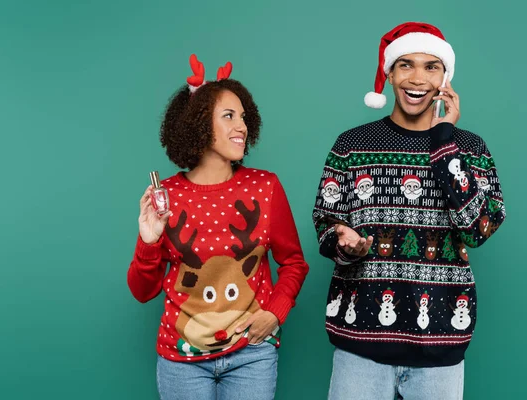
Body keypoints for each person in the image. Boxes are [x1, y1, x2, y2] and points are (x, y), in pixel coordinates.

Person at [312, 22, 506, 400]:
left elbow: (478, 229)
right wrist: (342, 242)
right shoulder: (352, 145)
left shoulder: (470, 148)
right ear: (389, 73)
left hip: (440, 342)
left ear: (445, 78)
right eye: (406, 65)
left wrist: (444, 143)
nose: (417, 77)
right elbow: (326, 218)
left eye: (431, 66)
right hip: (360, 344)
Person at [128, 54, 309, 400]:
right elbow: (142, 291)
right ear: (198, 124)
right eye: (228, 116)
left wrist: (275, 313)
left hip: (251, 355)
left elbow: (294, 263)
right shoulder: (166, 196)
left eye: (243, 116)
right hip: (182, 360)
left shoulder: (265, 187)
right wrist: (148, 242)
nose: (241, 126)